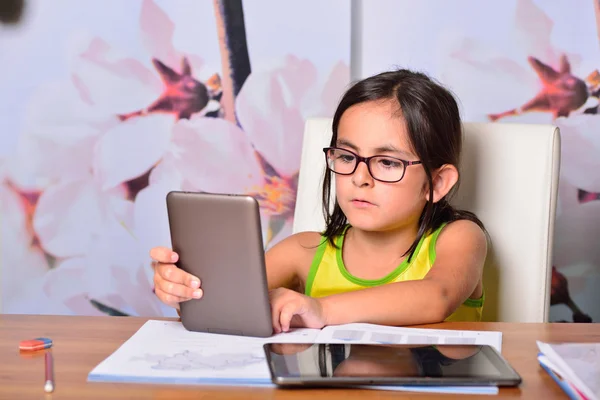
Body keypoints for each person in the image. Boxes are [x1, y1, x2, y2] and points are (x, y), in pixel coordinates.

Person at [150, 68, 488, 333]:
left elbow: (436, 297)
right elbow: (224, 304)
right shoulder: (303, 252)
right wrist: (183, 289)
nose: (360, 177)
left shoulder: (458, 238)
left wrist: (321, 309)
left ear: (437, 183)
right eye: (346, 156)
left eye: (387, 162)